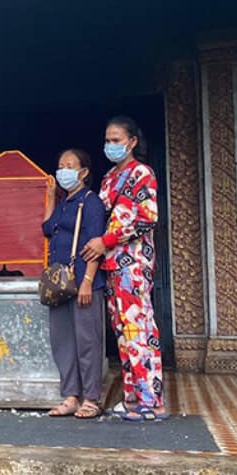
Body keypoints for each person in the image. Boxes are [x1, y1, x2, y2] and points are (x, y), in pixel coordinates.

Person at [81, 115, 168, 421]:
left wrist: (106, 240)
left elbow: (146, 218)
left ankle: (152, 402)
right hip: (110, 265)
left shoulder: (142, 173)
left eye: (116, 140)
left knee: (139, 329)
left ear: (132, 142)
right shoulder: (107, 179)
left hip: (133, 264)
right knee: (121, 331)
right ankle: (132, 398)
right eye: (107, 140)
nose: (111, 145)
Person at [42, 149, 106, 419]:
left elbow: (95, 245)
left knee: (87, 341)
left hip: (82, 280)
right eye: (60, 166)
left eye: (69, 166)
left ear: (84, 172)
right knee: (63, 341)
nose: (63, 170)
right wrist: (49, 195)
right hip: (59, 283)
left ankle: (91, 398)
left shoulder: (91, 203)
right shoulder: (64, 203)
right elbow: (47, 229)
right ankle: (70, 396)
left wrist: (88, 281)